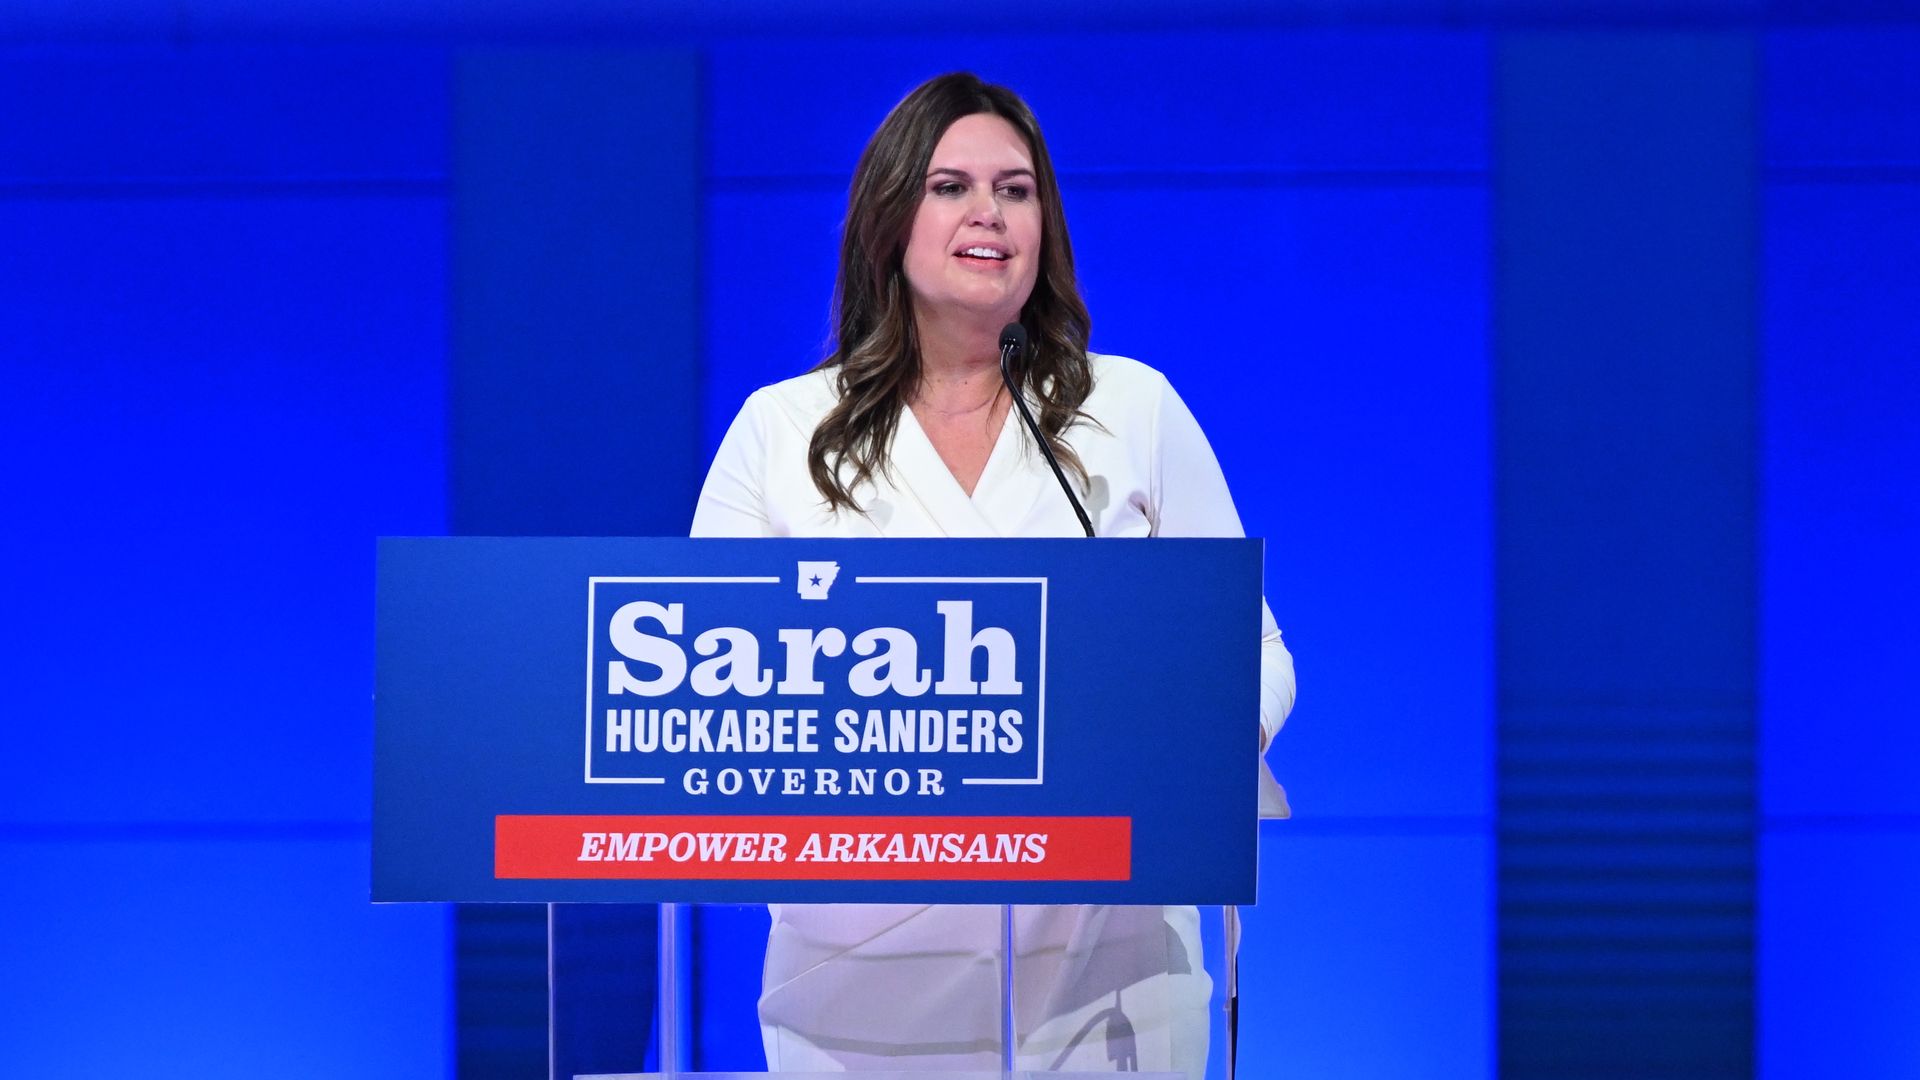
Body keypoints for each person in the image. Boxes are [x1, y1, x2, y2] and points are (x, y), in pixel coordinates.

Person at [692, 71, 1295, 1076]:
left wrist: (1204, 743)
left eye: (1017, 190)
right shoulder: (781, 432)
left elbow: (1255, 651)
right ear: (891, 217)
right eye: (952, 187)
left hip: (1113, 980)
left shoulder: (1129, 409)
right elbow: (713, 694)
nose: (990, 213)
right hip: (856, 995)